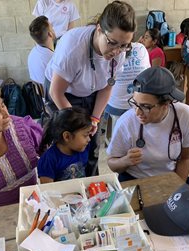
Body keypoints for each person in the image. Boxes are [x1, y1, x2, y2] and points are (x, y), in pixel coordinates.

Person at [44, 1, 136, 177]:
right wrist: (78, 125)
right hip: (63, 93)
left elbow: (107, 87)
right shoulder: (73, 46)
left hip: (93, 92)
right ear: (99, 29)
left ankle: (92, 181)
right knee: (69, 142)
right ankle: (67, 182)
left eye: (124, 45)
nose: (117, 51)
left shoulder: (120, 51)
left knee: (91, 142)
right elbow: (56, 92)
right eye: (112, 43)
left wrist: (94, 119)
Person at [107, 67, 189, 182]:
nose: (137, 112)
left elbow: (185, 158)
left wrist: (177, 189)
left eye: (146, 106)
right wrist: (125, 161)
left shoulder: (185, 116)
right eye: (135, 103)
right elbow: (112, 164)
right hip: (135, 178)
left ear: (166, 104)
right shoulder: (126, 122)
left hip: (169, 176)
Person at [37, 108, 92, 183]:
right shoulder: (48, 160)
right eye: (85, 135)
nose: (89, 139)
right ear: (67, 136)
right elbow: (47, 190)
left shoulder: (83, 148)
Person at [28, 16, 55, 85]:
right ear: (50, 34)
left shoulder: (33, 52)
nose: (54, 28)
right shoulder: (53, 59)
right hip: (50, 95)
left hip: (38, 95)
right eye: (52, 27)